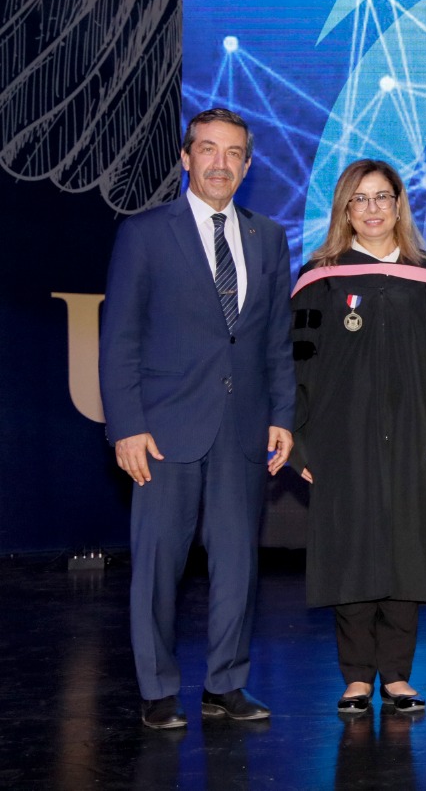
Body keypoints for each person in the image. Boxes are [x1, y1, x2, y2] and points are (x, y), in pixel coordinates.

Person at [99, 107, 295, 730]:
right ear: (186, 158)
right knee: (158, 565)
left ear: (248, 164)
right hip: (163, 431)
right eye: (208, 149)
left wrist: (283, 414)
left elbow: (276, 340)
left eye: (233, 152)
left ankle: (225, 684)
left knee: (237, 565)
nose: (220, 163)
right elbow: (119, 338)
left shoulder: (269, 237)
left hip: (243, 427)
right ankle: (158, 689)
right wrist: (126, 426)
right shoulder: (146, 233)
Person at [288, 159, 426, 715]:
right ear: (345, 209)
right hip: (340, 435)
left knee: (405, 549)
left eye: (382, 197)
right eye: (360, 199)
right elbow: (295, 365)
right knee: (351, 549)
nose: (372, 208)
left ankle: (396, 674)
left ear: (398, 205)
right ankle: (355, 676)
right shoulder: (320, 279)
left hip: (416, 432)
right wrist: (299, 438)